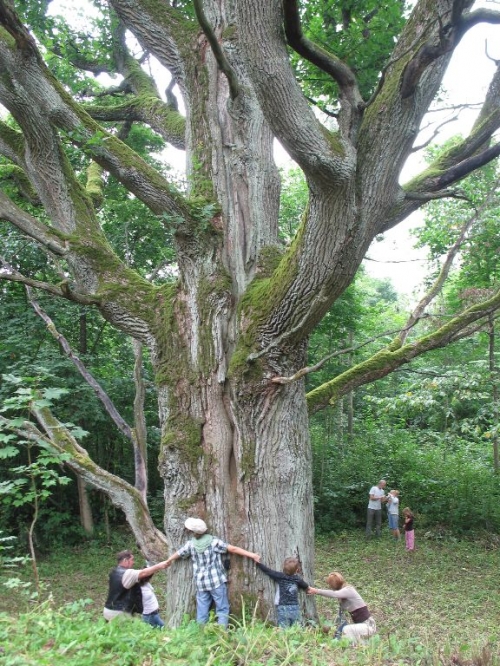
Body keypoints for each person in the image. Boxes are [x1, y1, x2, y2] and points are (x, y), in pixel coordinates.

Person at [164, 517, 260, 628]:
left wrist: (169, 560)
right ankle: (222, 632)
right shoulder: (213, 542)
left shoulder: (191, 544)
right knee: (222, 608)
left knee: (202, 610)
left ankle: (201, 632)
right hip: (216, 582)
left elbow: (179, 553)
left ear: (193, 532)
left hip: (201, 583)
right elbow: (233, 549)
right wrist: (252, 555)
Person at [307, 571, 376, 643]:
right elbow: (341, 620)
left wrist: (316, 591)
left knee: (347, 630)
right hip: (361, 626)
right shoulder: (343, 598)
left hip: (369, 626)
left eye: (330, 584)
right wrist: (331, 629)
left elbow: (334, 594)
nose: (329, 587)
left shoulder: (349, 590)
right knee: (348, 631)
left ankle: (349, 649)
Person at [103, 550, 169, 621]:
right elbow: (144, 573)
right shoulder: (127, 573)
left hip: (107, 610)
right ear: (125, 560)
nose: (133, 562)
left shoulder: (114, 572)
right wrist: (159, 566)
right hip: (119, 613)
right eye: (132, 560)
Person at [257, 556, 309, 628]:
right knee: (296, 627)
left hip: (283, 607)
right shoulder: (297, 579)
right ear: (297, 570)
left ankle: (284, 638)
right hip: (295, 607)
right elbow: (305, 586)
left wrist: (258, 563)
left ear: (283, 567)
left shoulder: (280, 576)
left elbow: (268, 571)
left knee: (284, 628)